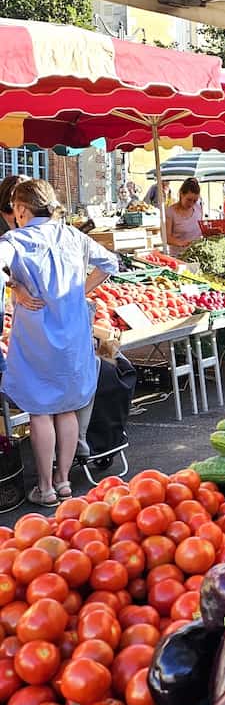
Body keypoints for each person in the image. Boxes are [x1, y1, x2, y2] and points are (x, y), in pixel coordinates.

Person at [0, 179, 118, 505]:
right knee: (67, 408)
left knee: (40, 410)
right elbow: (110, 263)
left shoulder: (16, 239)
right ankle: (63, 482)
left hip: (36, 336)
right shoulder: (73, 235)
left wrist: (15, 287)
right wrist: (81, 290)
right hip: (73, 332)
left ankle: (45, 487)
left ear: (21, 208)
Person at [165, 177, 203, 255]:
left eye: (195, 201)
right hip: (179, 256)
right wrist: (182, 243)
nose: (191, 203)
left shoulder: (198, 208)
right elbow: (166, 238)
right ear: (181, 194)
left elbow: (201, 229)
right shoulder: (170, 212)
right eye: (189, 200)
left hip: (198, 253)